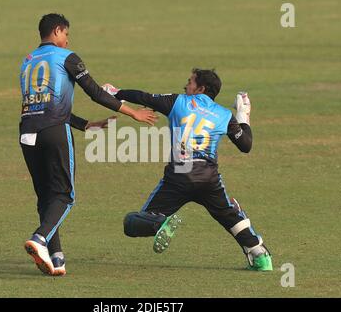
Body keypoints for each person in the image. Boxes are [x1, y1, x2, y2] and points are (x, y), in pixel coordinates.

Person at [19, 13, 157, 276]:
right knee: (64, 196)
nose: (67, 39)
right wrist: (133, 113)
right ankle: (39, 239)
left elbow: (41, 107)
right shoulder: (67, 57)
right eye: (66, 34)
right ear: (58, 31)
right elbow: (95, 92)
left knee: (46, 197)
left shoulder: (27, 62)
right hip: (54, 132)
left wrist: (85, 125)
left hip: (27, 133)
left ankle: (56, 257)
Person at [102, 69, 273, 271]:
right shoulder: (224, 115)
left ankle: (159, 224)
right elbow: (246, 145)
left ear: (200, 88)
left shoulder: (179, 102)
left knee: (133, 223)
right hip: (209, 179)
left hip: (179, 177)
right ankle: (260, 257)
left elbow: (144, 97)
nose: (186, 85)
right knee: (230, 214)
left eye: (190, 82)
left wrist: (116, 92)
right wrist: (243, 115)